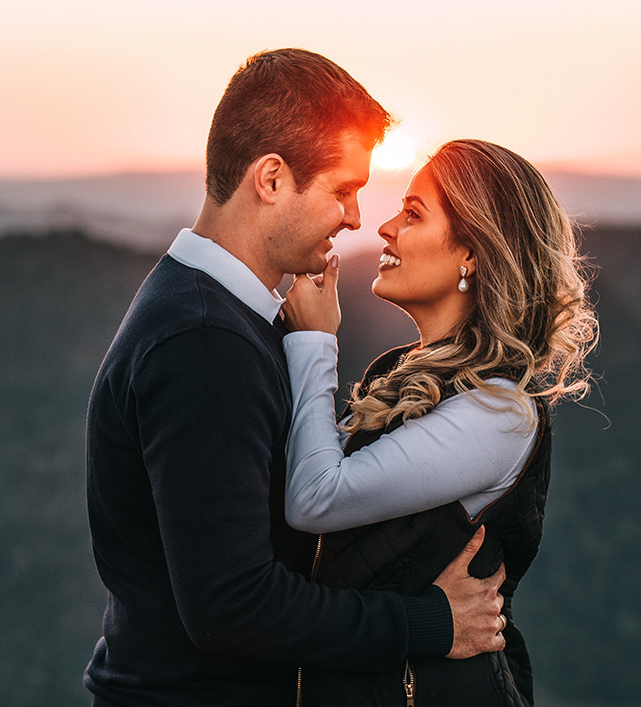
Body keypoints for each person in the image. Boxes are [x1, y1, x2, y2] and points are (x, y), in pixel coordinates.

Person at [83, 50, 508, 706]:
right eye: (343, 189)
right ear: (272, 179)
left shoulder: (216, 314)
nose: (356, 217)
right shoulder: (203, 341)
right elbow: (232, 604)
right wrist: (429, 621)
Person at [281, 138, 598, 706]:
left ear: (470, 255)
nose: (385, 228)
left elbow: (315, 496)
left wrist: (313, 344)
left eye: (413, 214)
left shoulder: (499, 414)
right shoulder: (403, 376)